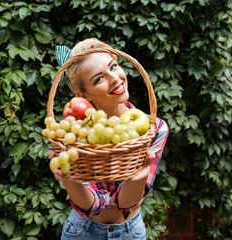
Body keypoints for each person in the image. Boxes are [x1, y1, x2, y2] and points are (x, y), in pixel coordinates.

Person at [49, 38, 169, 240]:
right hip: (82, 232)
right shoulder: (78, 134)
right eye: (98, 79)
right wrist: (68, 180)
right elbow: (92, 206)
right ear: (83, 95)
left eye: (113, 66)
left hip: (130, 232)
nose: (115, 78)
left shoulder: (153, 129)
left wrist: (138, 178)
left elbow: (125, 205)